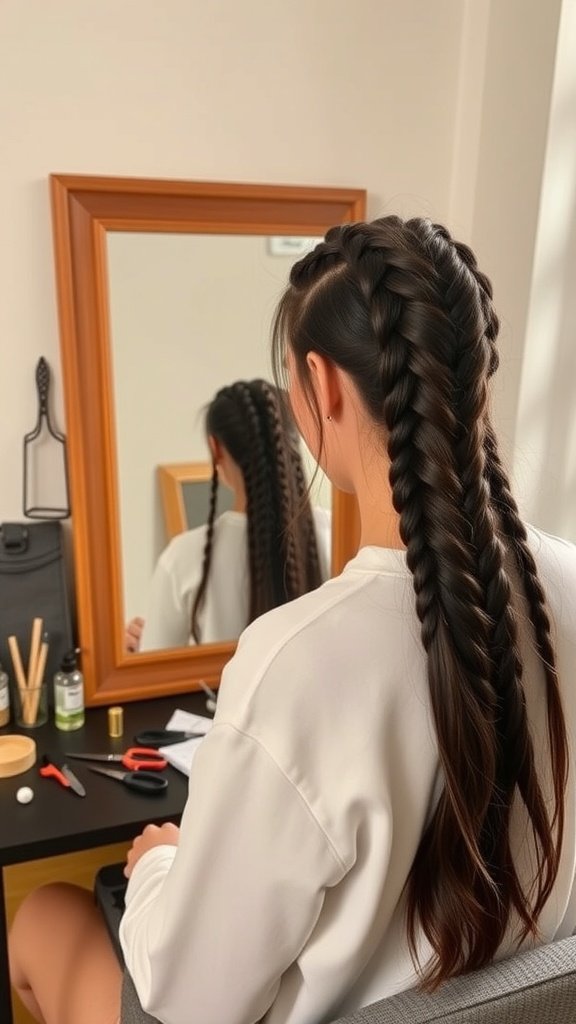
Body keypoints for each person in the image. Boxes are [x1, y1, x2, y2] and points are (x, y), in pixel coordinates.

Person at [9, 216, 576, 1024]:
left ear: (322, 383)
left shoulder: (300, 660)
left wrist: (163, 867)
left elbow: (193, 1001)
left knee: (44, 916)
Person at [128, 378, 331, 652]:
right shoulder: (333, 535)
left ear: (216, 449)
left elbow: (154, 671)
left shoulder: (183, 560)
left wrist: (140, 650)